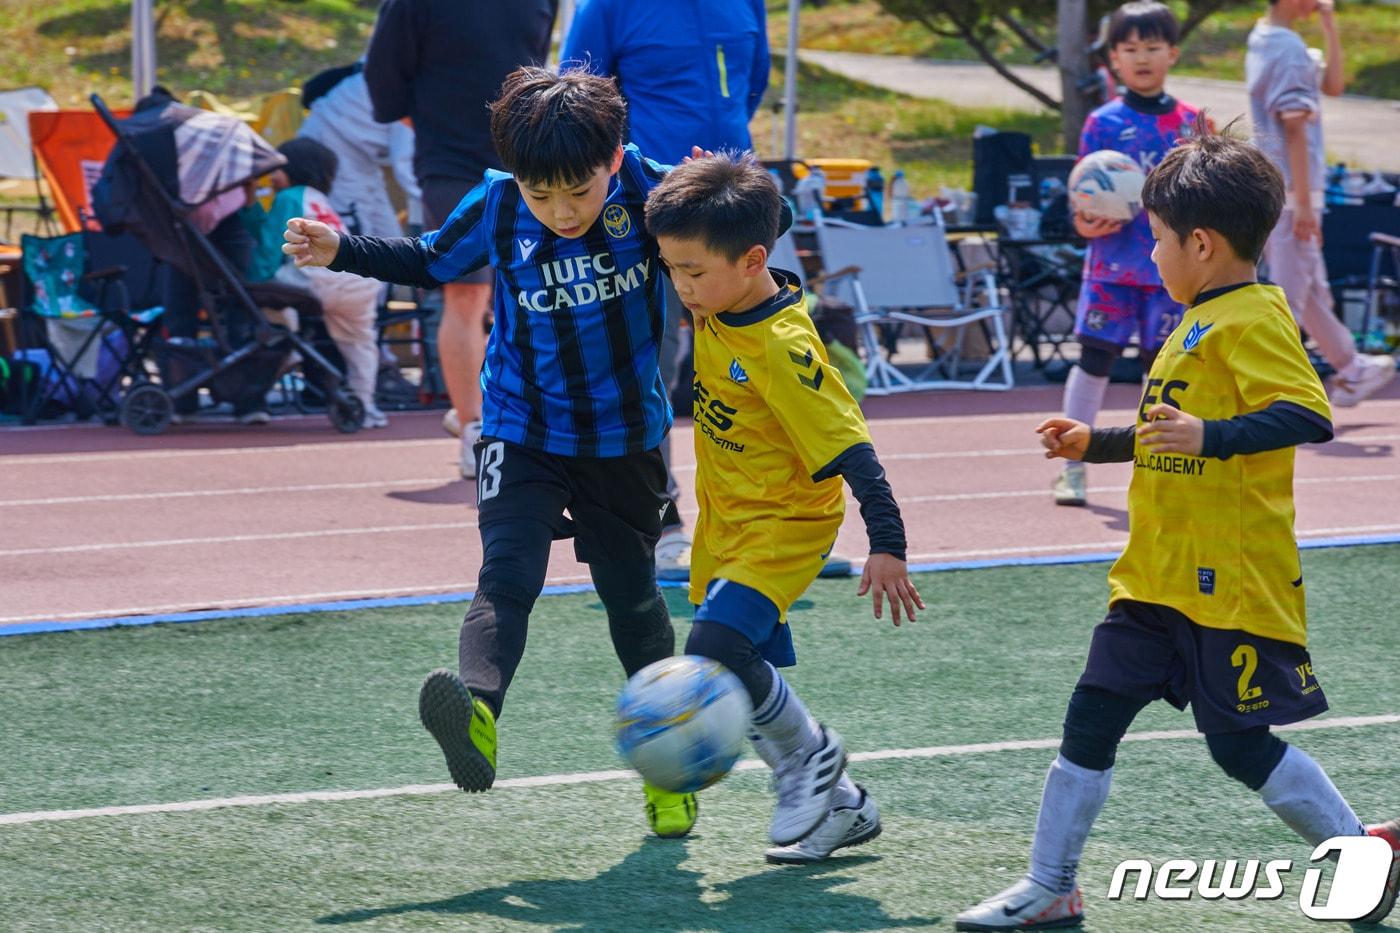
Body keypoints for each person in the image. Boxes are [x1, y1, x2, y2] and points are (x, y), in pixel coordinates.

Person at [955, 131, 1399, 931]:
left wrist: (1212, 436)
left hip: (1229, 581)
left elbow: (1309, 413)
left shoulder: (1253, 317)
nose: (1152, 254)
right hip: (1154, 576)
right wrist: (1097, 443)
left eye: (1157, 239)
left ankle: (1363, 858)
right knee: (1092, 713)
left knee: (1240, 746)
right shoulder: (1194, 319)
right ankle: (1051, 884)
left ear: (1201, 244)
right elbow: (1172, 431)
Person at [283, 68, 697, 838]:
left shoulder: (656, 189)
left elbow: (750, 218)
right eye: (543, 195)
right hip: (520, 426)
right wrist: (342, 248)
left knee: (633, 599)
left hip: (624, 439)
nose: (562, 213)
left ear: (614, 158)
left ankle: (669, 766)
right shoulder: (498, 204)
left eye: (579, 192)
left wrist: (728, 190)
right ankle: (476, 709)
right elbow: (430, 259)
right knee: (506, 575)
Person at [644, 154, 924, 863]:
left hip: (784, 524)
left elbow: (852, 446)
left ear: (752, 262)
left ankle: (810, 757)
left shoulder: (782, 346)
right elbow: (766, 220)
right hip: (726, 523)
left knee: (712, 652)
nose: (681, 287)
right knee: (732, 664)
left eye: (692, 272)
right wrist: (722, 176)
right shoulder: (723, 292)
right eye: (672, 270)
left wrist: (888, 543)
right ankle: (846, 807)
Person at [561, 0, 771, 580]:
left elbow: (750, 87)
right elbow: (575, 110)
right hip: (646, 218)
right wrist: (645, 181)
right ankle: (663, 522)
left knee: (762, 361)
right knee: (650, 366)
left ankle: (766, 525)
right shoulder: (607, 6)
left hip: (737, 208)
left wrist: (723, 180)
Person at [364, 0, 558, 477]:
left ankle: (520, 415)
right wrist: (433, 122)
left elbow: (537, 68)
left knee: (534, 288)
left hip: (527, 160)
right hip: (450, 162)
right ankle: (474, 428)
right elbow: (383, 80)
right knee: (467, 293)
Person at [1054, 2, 1206, 508]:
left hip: (1173, 273)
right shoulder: (1101, 122)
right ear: (1113, 58)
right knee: (1094, 360)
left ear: (1173, 53)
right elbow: (1081, 193)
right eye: (1130, 49)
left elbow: (1209, 195)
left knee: (1161, 371)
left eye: (1152, 47)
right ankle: (1071, 466)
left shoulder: (1193, 123)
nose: (1142, 58)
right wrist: (1083, 221)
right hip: (1110, 269)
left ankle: (1159, 467)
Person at [1246, 0, 1395, 408]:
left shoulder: (1264, 38)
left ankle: (1352, 367)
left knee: (1308, 287)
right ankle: (1270, 398)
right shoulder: (1288, 49)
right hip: (1295, 192)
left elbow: (1333, 86)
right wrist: (1305, 204)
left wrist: (1329, 24)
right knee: (1290, 299)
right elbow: (1294, 127)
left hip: (1284, 189)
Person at [245, 138, 388, 427]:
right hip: (357, 281)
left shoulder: (289, 197)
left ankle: (286, 345)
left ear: (293, 169)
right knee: (359, 344)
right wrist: (252, 207)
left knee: (273, 292)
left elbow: (271, 246)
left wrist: (252, 281)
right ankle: (365, 406)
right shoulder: (318, 199)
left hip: (316, 277)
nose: (271, 177)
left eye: (276, 169)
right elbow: (268, 227)